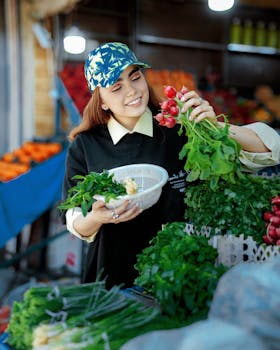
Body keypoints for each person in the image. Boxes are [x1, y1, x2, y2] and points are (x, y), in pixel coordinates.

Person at [62, 42, 280, 289]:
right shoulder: (86, 145)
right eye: (116, 87)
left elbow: (270, 151)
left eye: (135, 78)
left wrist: (215, 127)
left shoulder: (178, 127)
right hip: (113, 274)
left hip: (182, 271)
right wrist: (97, 218)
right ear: (101, 100)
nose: (132, 91)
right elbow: (73, 217)